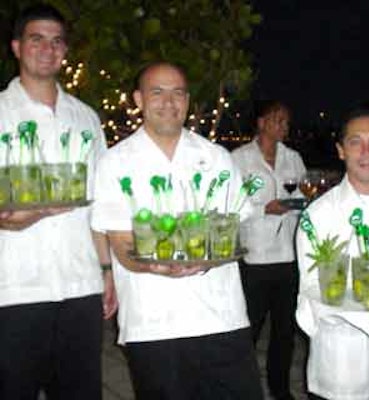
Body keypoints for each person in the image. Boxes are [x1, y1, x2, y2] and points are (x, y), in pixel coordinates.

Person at [91, 61, 264, 400]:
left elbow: (235, 229)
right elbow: (122, 243)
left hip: (222, 318)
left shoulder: (215, 157)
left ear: (188, 101)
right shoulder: (115, 163)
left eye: (178, 93)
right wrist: (153, 265)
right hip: (153, 324)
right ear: (139, 99)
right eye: (157, 92)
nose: (168, 102)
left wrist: (210, 259)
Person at [0, 4, 117, 400]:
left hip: (79, 286)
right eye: (37, 39)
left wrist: (106, 270)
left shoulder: (86, 118)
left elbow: (100, 205)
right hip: (13, 288)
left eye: (56, 41)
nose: (48, 49)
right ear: (16, 47)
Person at [296, 107, 369, 399]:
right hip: (343, 367)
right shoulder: (318, 215)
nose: (366, 151)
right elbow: (310, 291)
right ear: (341, 151)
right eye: (356, 141)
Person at [232, 100, 306, 400]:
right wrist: (264, 208)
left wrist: (297, 204)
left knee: (285, 333)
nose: (283, 127)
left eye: (286, 122)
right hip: (255, 256)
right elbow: (232, 205)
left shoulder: (294, 158)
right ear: (262, 123)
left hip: (288, 257)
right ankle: (239, 388)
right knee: (247, 329)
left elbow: (302, 193)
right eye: (278, 120)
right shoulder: (239, 159)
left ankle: (280, 389)